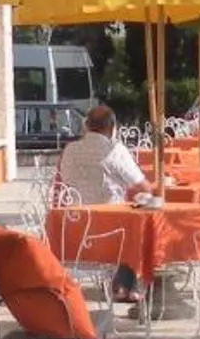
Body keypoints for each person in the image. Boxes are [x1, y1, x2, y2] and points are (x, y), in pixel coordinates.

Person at [54, 103, 155, 301]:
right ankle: (130, 284)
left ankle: (123, 283)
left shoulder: (70, 150)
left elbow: (64, 180)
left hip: (74, 231)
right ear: (111, 127)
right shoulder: (115, 150)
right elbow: (144, 188)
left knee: (131, 218)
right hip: (109, 233)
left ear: (87, 125)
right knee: (141, 220)